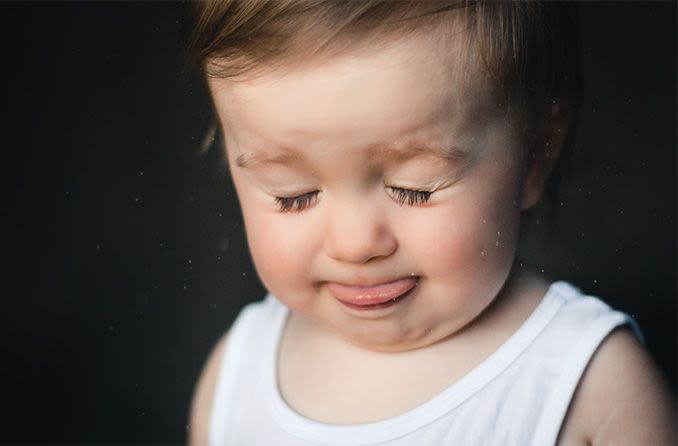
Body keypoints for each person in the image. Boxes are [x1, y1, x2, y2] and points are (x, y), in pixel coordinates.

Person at [180, 1, 676, 444]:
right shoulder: (236, 375)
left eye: (414, 188)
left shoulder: (592, 387)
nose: (355, 245)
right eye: (294, 196)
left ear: (535, 155)